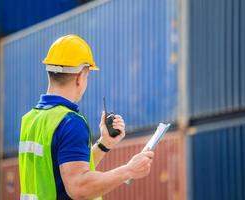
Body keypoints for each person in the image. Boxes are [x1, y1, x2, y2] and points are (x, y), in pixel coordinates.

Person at [19, 34, 154, 200]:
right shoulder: (69, 122)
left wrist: (105, 144)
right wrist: (129, 170)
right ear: (80, 77)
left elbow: (65, 169)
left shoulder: (31, 119)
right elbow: (78, 186)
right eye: (87, 75)